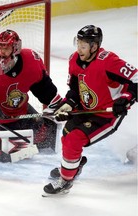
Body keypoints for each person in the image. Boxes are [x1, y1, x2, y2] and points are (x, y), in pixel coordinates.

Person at [43, 25, 137, 196]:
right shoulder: (73, 60)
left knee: (73, 140)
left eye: (84, 45)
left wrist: (125, 99)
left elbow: (136, 78)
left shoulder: (108, 61)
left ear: (94, 46)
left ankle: (65, 180)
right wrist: (68, 104)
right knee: (67, 134)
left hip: (106, 115)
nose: (79, 49)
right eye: (78, 43)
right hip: (85, 109)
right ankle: (73, 168)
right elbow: (74, 89)